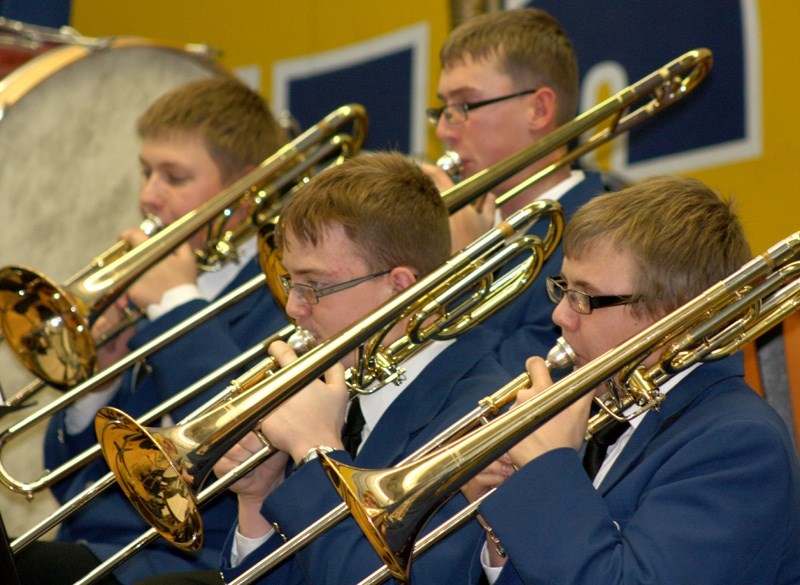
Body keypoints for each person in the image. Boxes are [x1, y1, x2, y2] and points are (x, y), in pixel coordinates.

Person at [173, 151, 510, 585]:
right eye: (290, 282)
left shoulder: (481, 413)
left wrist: (316, 453)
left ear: (399, 287)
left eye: (315, 286)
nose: (294, 308)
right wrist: (259, 499)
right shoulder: (340, 383)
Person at [15, 76, 291, 585]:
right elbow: (68, 481)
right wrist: (98, 381)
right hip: (94, 548)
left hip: (189, 562)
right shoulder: (153, 288)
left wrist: (175, 304)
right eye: (146, 172)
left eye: (175, 177)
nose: (148, 196)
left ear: (246, 193)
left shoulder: (284, 299)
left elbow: (239, 443)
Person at [467, 176, 800, 584]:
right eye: (563, 289)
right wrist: (501, 530)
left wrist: (546, 470)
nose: (560, 317)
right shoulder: (602, 412)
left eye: (584, 297)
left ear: (671, 314)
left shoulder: (737, 443)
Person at [423, 7, 612, 371]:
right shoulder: (459, 229)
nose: (443, 131)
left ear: (539, 110)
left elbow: (515, 390)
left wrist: (462, 271)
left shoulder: (601, 245)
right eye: (442, 109)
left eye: (464, 105)